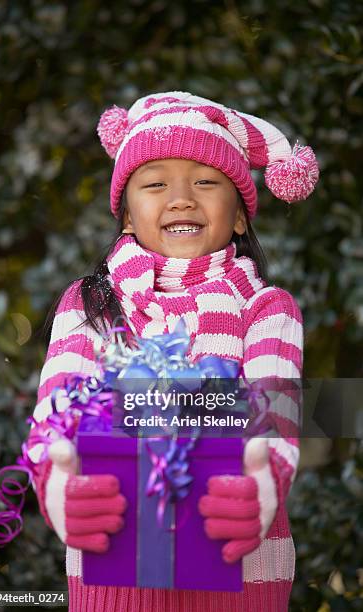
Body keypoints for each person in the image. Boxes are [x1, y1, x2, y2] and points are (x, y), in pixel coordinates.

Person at [27, 91, 319, 611]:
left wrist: (260, 487)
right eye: (155, 183)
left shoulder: (267, 309)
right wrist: (59, 487)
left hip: (242, 579)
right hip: (115, 580)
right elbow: (56, 410)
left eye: (206, 181)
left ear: (238, 219)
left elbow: (276, 416)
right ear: (127, 218)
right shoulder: (92, 304)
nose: (181, 197)